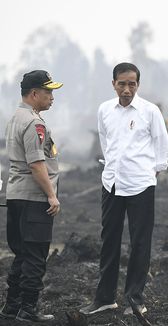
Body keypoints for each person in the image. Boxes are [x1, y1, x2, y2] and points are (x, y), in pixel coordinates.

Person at [80, 63, 168, 316]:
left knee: (140, 243)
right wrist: (113, 168)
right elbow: (105, 141)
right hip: (111, 183)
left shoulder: (150, 111)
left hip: (141, 185)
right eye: (122, 83)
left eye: (132, 83)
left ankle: (135, 299)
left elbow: (162, 147)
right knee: (109, 241)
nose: (127, 88)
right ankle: (105, 298)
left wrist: (149, 172)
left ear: (138, 85)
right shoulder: (104, 110)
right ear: (113, 84)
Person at [1, 70, 62, 322]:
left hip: (16, 196)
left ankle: (11, 307)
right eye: (48, 92)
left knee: (23, 254)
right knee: (36, 255)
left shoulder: (16, 117)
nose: (52, 97)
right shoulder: (34, 122)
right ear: (34, 93)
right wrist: (51, 196)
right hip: (34, 199)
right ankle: (28, 309)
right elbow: (37, 164)